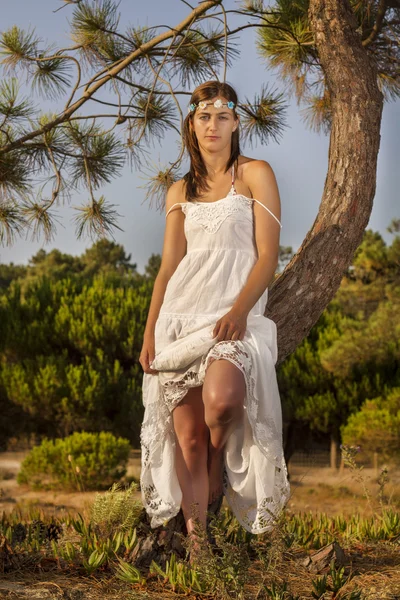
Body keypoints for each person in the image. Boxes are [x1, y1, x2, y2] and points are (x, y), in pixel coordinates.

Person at [139, 80, 290, 560]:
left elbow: (268, 257)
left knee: (222, 403)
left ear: (236, 123)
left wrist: (240, 311)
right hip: (180, 320)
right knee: (186, 437)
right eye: (204, 116)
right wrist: (149, 332)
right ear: (192, 124)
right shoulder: (179, 190)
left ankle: (222, 461)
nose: (213, 124)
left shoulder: (255, 174)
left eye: (222, 116)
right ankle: (198, 540)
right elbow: (168, 269)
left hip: (233, 318)